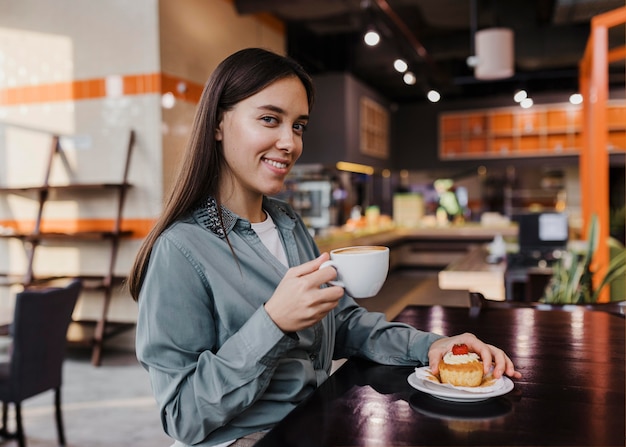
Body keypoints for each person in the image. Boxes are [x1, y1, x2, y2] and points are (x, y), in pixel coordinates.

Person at [129, 47, 521, 447]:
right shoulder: (179, 250)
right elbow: (181, 416)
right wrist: (273, 323)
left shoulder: (286, 223)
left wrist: (434, 346)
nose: (289, 142)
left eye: (298, 126)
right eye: (269, 119)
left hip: (314, 421)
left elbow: (343, 322)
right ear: (218, 123)